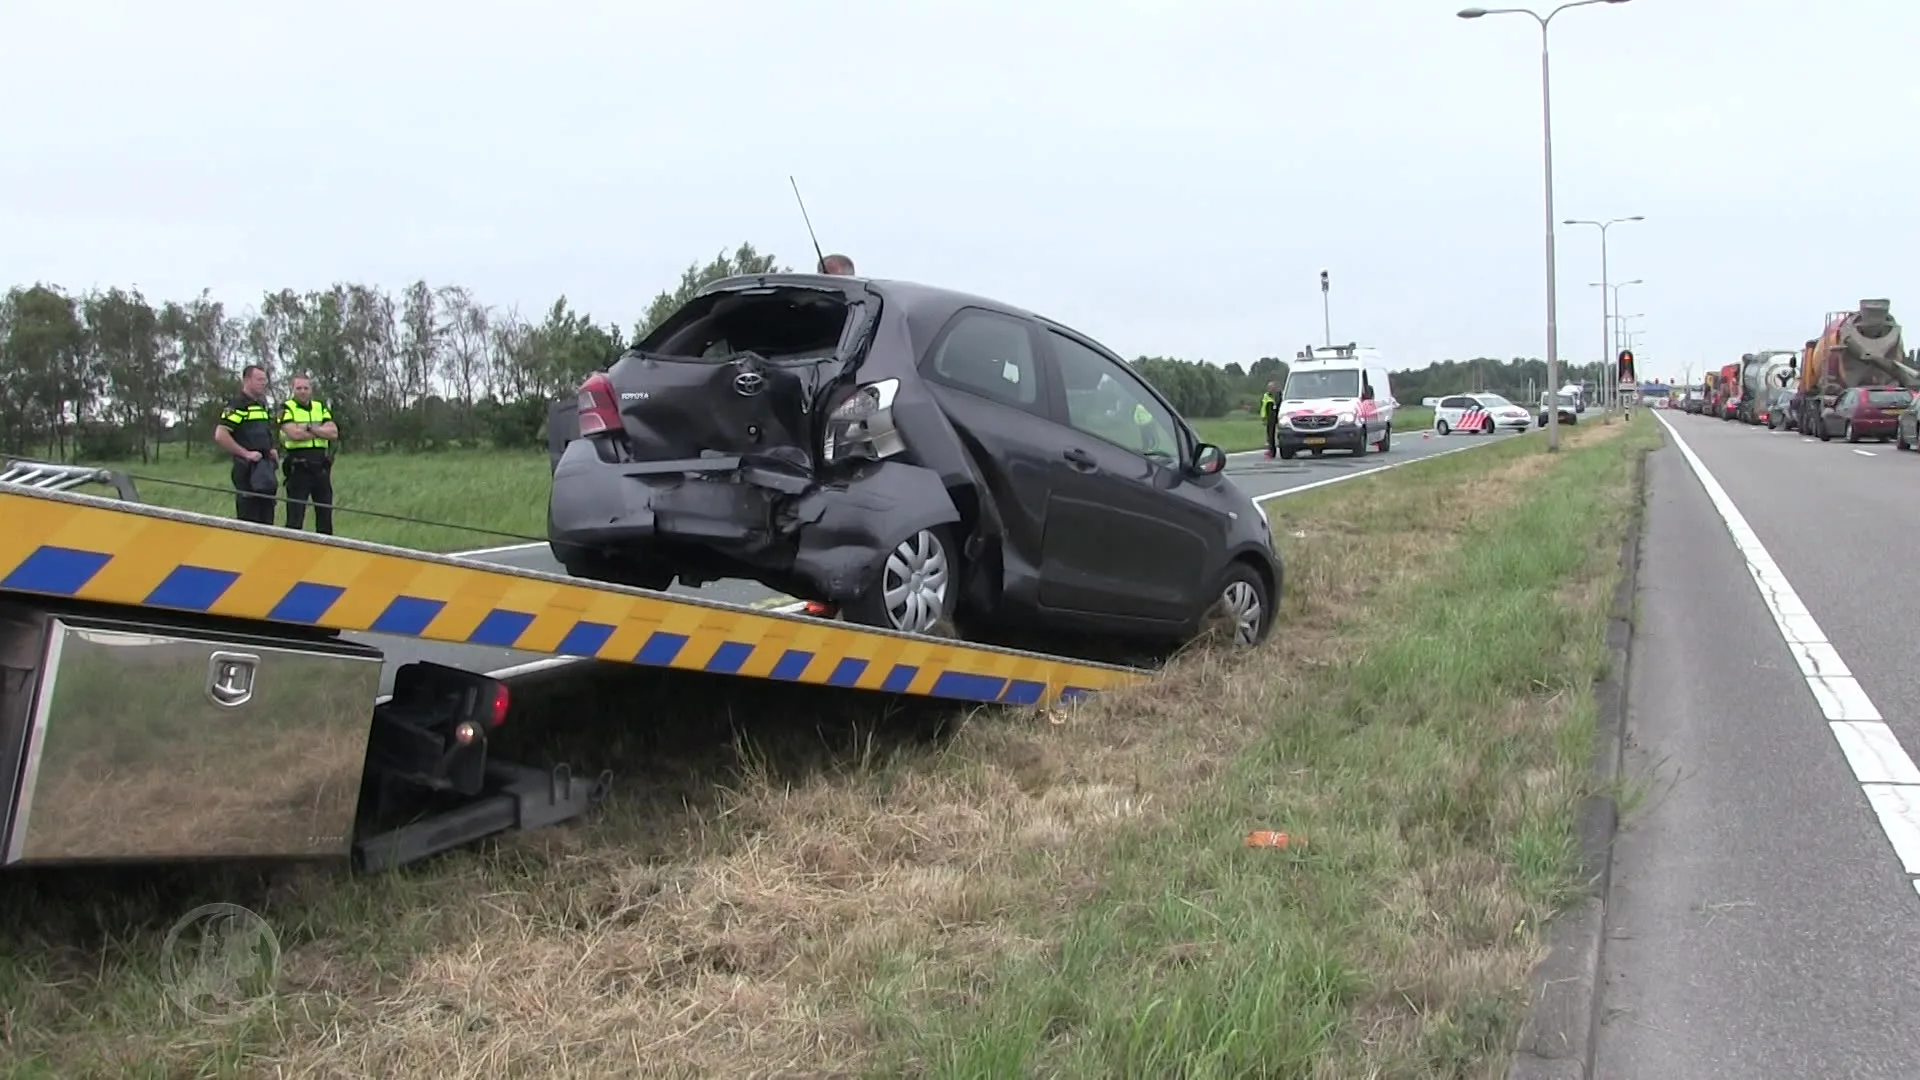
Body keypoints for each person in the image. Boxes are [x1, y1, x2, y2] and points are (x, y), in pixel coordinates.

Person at [212, 364, 278, 525]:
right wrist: (245, 453)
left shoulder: (262, 405)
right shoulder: (238, 405)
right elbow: (221, 434)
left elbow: (262, 432)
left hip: (265, 468)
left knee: (267, 516)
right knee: (249, 518)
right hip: (247, 469)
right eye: (259, 379)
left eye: (264, 380)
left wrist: (271, 449)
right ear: (246, 380)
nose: (263, 383)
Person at [277, 374, 339, 534]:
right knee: (295, 516)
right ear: (292, 389)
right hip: (299, 466)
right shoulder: (285, 408)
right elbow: (294, 434)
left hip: (321, 467)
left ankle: (325, 551)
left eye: (306, 388)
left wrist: (309, 428)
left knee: (325, 515)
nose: (303, 391)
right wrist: (320, 431)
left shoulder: (320, 407)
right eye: (299, 388)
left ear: (311, 390)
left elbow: (333, 433)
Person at [1259, 380, 1280, 459]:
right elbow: (1264, 408)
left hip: (1279, 416)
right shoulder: (1266, 396)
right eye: (1269, 387)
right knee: (1270, 435)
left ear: (1275, 388)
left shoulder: (1280, 395)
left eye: (1272, 387)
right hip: (1270, 417)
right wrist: (1264, 418)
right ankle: (1272, 451)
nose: (1270, 389)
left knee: (1283, 434)